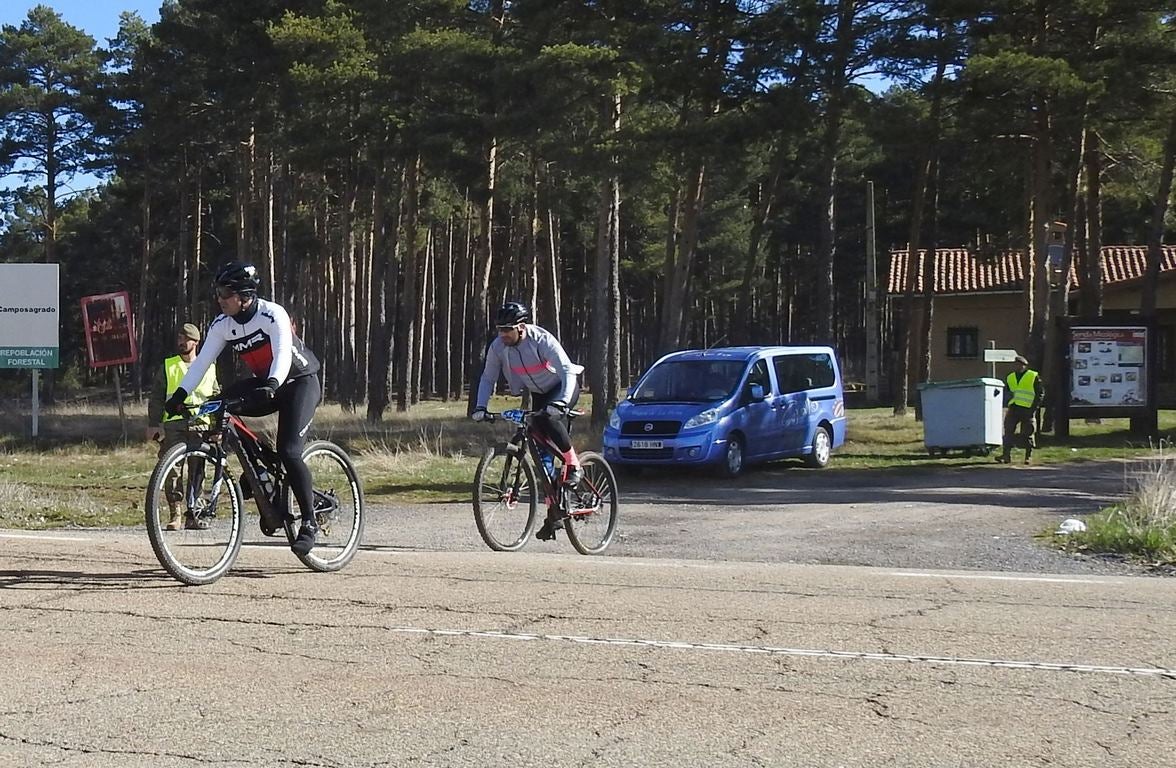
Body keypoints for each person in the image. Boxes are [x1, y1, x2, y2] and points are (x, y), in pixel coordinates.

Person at [164, 261, 323, 555]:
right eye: (218, 293)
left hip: (298, 382)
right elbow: (201, 362)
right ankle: (256, 470)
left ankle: (310, 521)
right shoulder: (223, 324)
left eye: (226, 294)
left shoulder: (272, 314)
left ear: (245, 294)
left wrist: (273, 382)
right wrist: (180, 394)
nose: (220, 299)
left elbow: (282, 354)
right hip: (268, 383)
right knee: (222, 402)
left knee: (289, 451)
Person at [471, 301, 584, 541]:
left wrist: (561, 403)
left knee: (551, 421)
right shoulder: (498, 347)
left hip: (562, 387)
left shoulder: (542, 340)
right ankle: (554, 510)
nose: (502, 334)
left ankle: (574, 464)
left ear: (521, 327)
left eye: (507, 329)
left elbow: (566, 371)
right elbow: (488, 377)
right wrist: (480, 407)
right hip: (538, 392)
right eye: (499, 329)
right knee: (541, 456)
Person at [147, 323, 219, 531]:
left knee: (198, 471)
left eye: (185, 338)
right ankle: (175, 513)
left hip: (200, 426)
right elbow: (157, 397)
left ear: (195, 342)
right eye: (179, 338)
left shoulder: (209, 366)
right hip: (174, 424)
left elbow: (214, 397)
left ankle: (194, 513)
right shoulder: (169, 365)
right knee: (172, 470)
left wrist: (216, 427)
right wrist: (154, 424)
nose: (181, 342)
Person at [997, 354, 1043, 465]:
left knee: (1028, 432)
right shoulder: (1011, 377)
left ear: (1025, 365)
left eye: (1021, 364)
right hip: (1014, 407)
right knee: (1008, 431)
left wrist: (1034, 407)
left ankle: (1028, 456)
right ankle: (1006, 455)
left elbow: (1040, 393)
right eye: (1016, 364)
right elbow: (1007, 391)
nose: (1018, 366)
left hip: (1028, 408)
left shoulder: (1033, 376)